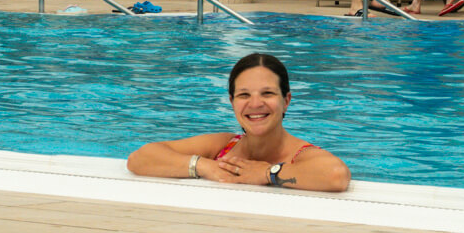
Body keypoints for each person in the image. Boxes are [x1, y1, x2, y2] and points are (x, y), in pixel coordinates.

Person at [127, 53, 351, 193]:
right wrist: (205, 167)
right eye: (244, 95)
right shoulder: (222, 146)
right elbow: (140, 158)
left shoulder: (300, 154)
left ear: (286, 101)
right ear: (232, 101)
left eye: (267, 93)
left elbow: (335, 175)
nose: (255, 104)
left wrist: (267, 173)